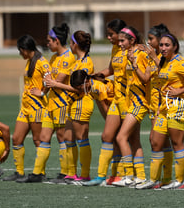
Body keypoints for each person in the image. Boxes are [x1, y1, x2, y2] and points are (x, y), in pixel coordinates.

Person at [136, 33, 184, 189]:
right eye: (162, 45)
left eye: (167, 45)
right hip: (164, 108)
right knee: (155, 142)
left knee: (176, 143)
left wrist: (180, 91)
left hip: (179, 106)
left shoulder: (180, 62)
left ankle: (179, 181)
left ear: (175, 47)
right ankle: (154, 180)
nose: (163, 48)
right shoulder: (163, 62)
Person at [23, 23, 75, 183]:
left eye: (49, 41)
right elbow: (48, 82)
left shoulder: (68, 57)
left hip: (61, 103)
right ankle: (37, 173)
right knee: (44, 137)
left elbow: (55, 81)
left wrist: (48, 84)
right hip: (50, 103)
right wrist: (43, 92)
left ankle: (65, 173)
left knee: (62, 137)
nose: (47, 44)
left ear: (57, 41)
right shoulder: (53, 58)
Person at [82, 19, 129, 186]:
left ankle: (124, 175)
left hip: (129, 99)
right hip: (117, 97)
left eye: (111, 34)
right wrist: (96, 75)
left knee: (124, 138)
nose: (108, 37)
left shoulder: (132, 50)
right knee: (108, 136)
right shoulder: (116, 48)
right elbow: (111, 69)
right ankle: (102, 176)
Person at [43, 30, 94, 184]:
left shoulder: (86, 63)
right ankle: (71, 174)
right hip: (74, 103)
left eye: (71, 43)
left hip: (82, 102)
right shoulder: (77, 61)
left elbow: (82, 88)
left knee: (81, 138)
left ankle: (84, 174)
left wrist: (56, 84)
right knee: (68, 138)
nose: (70, 46)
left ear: (75, 44)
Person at [2, 35, 50, 182]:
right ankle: (19, 172)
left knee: (37, 140)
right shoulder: (30, 61)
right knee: (16, 138)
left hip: (37, 107)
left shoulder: (42, 62)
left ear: (24, 49)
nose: (19, 53)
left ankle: (39, 173)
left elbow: (50, 81)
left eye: (20, 50)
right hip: (25, 107)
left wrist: (42, 93)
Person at [111, 26, 152, 187]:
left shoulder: (140, 55)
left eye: (122, 40)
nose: (119, 43)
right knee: (134, 140)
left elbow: (145, 79)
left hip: (139, 103)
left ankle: (128, 175)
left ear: (132, 40)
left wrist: (134, 63)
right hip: (130, 103)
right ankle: (140, 176)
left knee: (121, 137)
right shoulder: (128, 54)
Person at [141, 23, 174, 188]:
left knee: (156, 141)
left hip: (164, 106)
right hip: (153, 105)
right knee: (159, 142)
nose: (148, 42)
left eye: (151, 39)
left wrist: (154, 56)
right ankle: (164, 179)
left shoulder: (167, 59)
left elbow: (166, 76)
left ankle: (160, 178)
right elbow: (147, 78)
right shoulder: (151, 58)